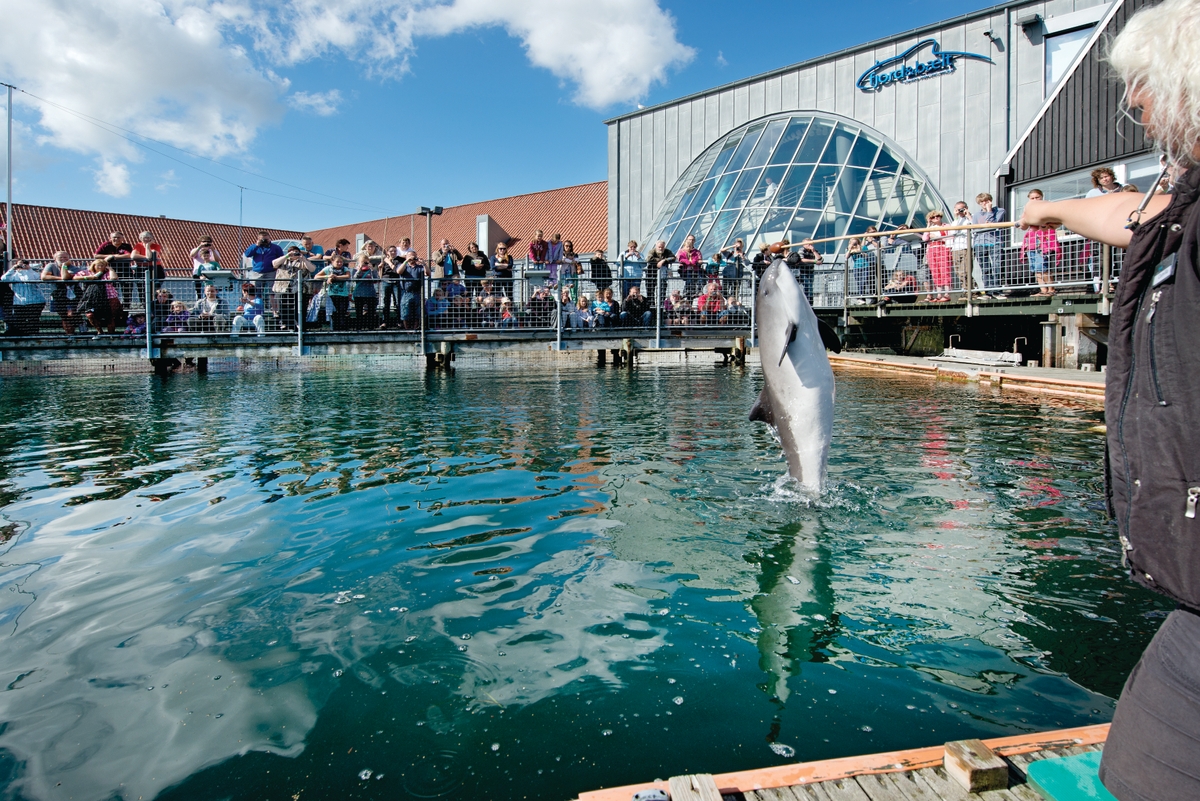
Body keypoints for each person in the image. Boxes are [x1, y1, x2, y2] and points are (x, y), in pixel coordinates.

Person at [1021, 5, 1200, 796]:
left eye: (1144, 89)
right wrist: (1053, 208)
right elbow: (1135, 219)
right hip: (1192, 590)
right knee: (1137, 764)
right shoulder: (1182, 204)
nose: (1135, 109)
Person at [1020, 189, 1060, 296]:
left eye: (1037, 197)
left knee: (1043, 268)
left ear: (1041, 197)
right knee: (1036, 269)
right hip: (1031, 242)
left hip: (1043, 242)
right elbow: (1023, 224)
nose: (1035, 200)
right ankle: (1043, 290)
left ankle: (1051, 289)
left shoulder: (1046, 207)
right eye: (1032, 198)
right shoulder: (1027, 210)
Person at [972, 193, 1007, 297]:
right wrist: (985, 226)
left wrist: (989, 211)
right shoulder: (976, 215)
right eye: (982, 202)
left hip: (994, 242)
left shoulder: (1000, 211)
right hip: (980, 243)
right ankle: (988, 291)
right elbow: (975, 229)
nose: (984, 203)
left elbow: (992, 224)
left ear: (990, 201)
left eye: (986, 201)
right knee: (985, 268)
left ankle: (997, 290)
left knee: (997, 266)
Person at [1, 259, 45, 336]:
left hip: (35, 301)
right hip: (19, 302)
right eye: (21, 264)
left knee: (33, 320)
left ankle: (33, 337)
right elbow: (4, 279)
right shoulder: (14, 275)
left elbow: (30, 279)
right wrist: (14, 268)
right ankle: (21, 337)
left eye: (25, 264)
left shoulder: (34, 273)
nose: (22, 265)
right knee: (20, 321)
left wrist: (27, 269)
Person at [41, 251, 78, 334]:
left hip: (73, 294)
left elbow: (67, 277)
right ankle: (69, 334)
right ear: (55, 259)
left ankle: (79, 327)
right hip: (58, 294)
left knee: (71, 314)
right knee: (64, 316)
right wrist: (61, 279)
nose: (63, 259)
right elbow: (44, 276)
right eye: (60, 257)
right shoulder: (51, 266)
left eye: (65, 257)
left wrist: (64, 266)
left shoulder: (73, 267)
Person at [921, 211, 953, 302]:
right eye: (933, 217)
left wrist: (937, 237)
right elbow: (925, 238)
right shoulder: (930, 228)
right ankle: (939, 294)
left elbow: (951, 237)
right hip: (932, 250)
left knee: (945, 270)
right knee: (935, 272)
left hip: (943, 248)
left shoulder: (946, 226)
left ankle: (946, 294)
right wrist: (928, 225)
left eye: (937, 216)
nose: (936, 218)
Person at [94, 232, 134, 303]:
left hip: (125, 270)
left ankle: (126, 306)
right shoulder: (106, 245)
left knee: (127, 289)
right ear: (110, 238)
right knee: (110, 289)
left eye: (119, 237)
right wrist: (110, 256)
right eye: (114, 237)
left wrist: (113, 256)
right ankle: (111, 306)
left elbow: (129, 255)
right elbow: (96, 255)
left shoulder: (126, 246)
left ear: (122, 238)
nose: (116, 239)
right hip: (109, 270)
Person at [316, 255, 352, 331]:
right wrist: (328, 276)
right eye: (337, 262)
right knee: (334, 312)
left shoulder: (345, 269)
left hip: (343, 294)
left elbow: (347, 276)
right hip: (332, 294)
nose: (339, 263)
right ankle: (335, 329)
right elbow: (316, 276)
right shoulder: (328, 269)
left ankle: (343, 329)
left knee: (342, 311)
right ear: (332, 262)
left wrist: (335, 277)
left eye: (341, 262)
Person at [130, 230, 165, 303]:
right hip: (141, 269)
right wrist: (146, 257)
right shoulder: (138, 245)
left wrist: (147, 246)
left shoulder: (156, 246)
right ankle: (144, 307)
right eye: (144, 237)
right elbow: (133, 256)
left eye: (148, 237)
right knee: (142, 289)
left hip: (155, 269)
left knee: (154, 289)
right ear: (140, 238)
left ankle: (153, 307)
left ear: (151, 238)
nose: (146, 239)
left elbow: (149, 257)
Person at [947, 202, 974, 296]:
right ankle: (968, 289)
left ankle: (971, 290)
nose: (960, 211)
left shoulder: (971, 217)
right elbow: (953, 232)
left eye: (962, 209)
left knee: (966, 270)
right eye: (958, 209)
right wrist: (956, 217)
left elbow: (974, 228)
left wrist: (968, 215)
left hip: (967, 246)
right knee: (958, 271)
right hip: (956, 248)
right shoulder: (955, 221)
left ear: (966, 208)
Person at [351, 254, 378, 330]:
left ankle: (370, 327)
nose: (364, 264)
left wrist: (372, 270)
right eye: (363, 262)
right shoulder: (355, 270)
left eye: (366, 262)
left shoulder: (371, 270)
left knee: (371, 312)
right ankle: (359, 327)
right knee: (359, 312)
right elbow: (354, 279)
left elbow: (376, 280)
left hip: (370, 293)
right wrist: (359, 270)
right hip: (359, 294)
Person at [398, 252, 424, 330]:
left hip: (417, 292)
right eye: (410, 256)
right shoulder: (404, 266)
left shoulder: (419, 267)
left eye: (413, 256)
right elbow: (399, 271)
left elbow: (428, 273)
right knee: (405, 312)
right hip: (406, 292)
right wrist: (406, 261)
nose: (412, 258)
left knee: (417, 312)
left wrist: (424, 264)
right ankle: (407, 330)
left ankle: (415, 329)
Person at [645, 240, 675, 307]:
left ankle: (660, 309)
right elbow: (649, 258)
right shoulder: (652, 251)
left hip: (662, 275)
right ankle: (652, 308)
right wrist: (661, 260)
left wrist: (664, 260)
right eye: (659, 247)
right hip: (651, 274)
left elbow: (673, 258)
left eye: (662, 247)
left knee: (662, 293)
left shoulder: (667, 251)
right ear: (656, 246)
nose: (661, 248)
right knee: (650, 293)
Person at [677, 234, 704, 299]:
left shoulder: (696, 251)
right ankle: (687, 291)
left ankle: (696, 292)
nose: (691, 241)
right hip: (686, 270)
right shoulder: (681, 251)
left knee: (698, 280)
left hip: (695, 270)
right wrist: (689, 262)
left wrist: (693, 262)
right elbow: (680, 258)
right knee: (689, 281)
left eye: (692, 240)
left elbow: (698, 258)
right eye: (689, 239)